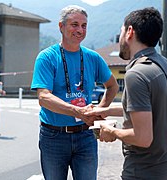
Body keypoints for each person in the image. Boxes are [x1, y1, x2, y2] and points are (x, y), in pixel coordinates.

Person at [85, 7, 167, 179]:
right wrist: (106, 111)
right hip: (163, 164)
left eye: (121, 32)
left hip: (141, 170)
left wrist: (111, 132)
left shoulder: (137, 74)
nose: (119, 39)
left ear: (130, 32)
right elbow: (149, 109)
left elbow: (143, 138)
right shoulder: (164, 65)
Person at [31, 5, 118, 180]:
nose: (80, 30)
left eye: (84, 25)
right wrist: (76, 111)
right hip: (53, 136)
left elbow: (113, 86)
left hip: (86, 135)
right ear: (61, 27)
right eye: (74, 24)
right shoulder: (47, 57)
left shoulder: (93, 57)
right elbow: (44, 98)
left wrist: (99, 111)